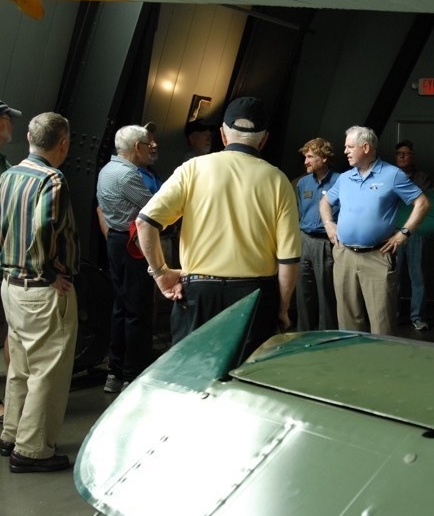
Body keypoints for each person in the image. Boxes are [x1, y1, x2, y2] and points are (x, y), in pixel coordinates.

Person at [136, 97, 300, 364]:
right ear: (264, 139)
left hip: (198, 295)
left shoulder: (193, 169)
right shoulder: (277, 180)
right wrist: (282, 308)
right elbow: (288, 259)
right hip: (255, 298)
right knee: (244, 384)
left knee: (190, 377)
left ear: (223, 134)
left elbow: (145, 223)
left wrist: (161, 274)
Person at [0, 112, 79, 472]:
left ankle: (11, 434)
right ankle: (31, 452)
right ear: (63, 144)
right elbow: (45, 227)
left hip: (10, 285)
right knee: (48, 372)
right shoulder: (52, 179)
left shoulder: (8, 174)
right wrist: (50, 273)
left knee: (21, 367)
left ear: (29, 137)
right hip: (41, 290)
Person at [319, 126, 430, 336]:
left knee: (382, 323)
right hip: (344, 256)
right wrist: (328, 223)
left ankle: (382, 367)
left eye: (350, 146)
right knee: (348, 322)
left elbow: (422, 203)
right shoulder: (345, 178)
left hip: (377, 257)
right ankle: (353, 366)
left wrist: (403, 233)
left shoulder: (392, 174)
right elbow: (325, 201)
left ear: (366, 147)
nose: (346, 151)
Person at [97, 124, 157, 393]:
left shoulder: (106, 171)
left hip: (115, 241)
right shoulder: (128, 177)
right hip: (133, 245)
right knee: (138, 310)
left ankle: (115, 372)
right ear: (136, 147)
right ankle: (134, 375)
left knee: (121, 307)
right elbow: (155, 207)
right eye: (147, 144)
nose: (151, 148)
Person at [0, 98, 19, 424]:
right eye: (10, 119)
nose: (13, 125)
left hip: (8, 264)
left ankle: (14, 396)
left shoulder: (3, 161)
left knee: (12, 331)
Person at [295, 137, 340, 331]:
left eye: (310, 156)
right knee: (303, 293)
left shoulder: (341, 181)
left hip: (326, 243)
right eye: (305, 156)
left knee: (326, 294)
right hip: (304, 240)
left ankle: (325, 336)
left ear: (324, 158)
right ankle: (302, 334)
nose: (306, 161)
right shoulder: (302, 183)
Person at [394, 140, 433, 331]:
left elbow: (417, 204)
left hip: (416, 232)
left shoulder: (422, 177)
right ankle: (393, 314)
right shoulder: (390, 175)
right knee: (395, 275)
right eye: (399, 153)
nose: (402, 156)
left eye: (406, 153)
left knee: (416, 274)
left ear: (412, 156)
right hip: (393, 231)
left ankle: (417, 316)